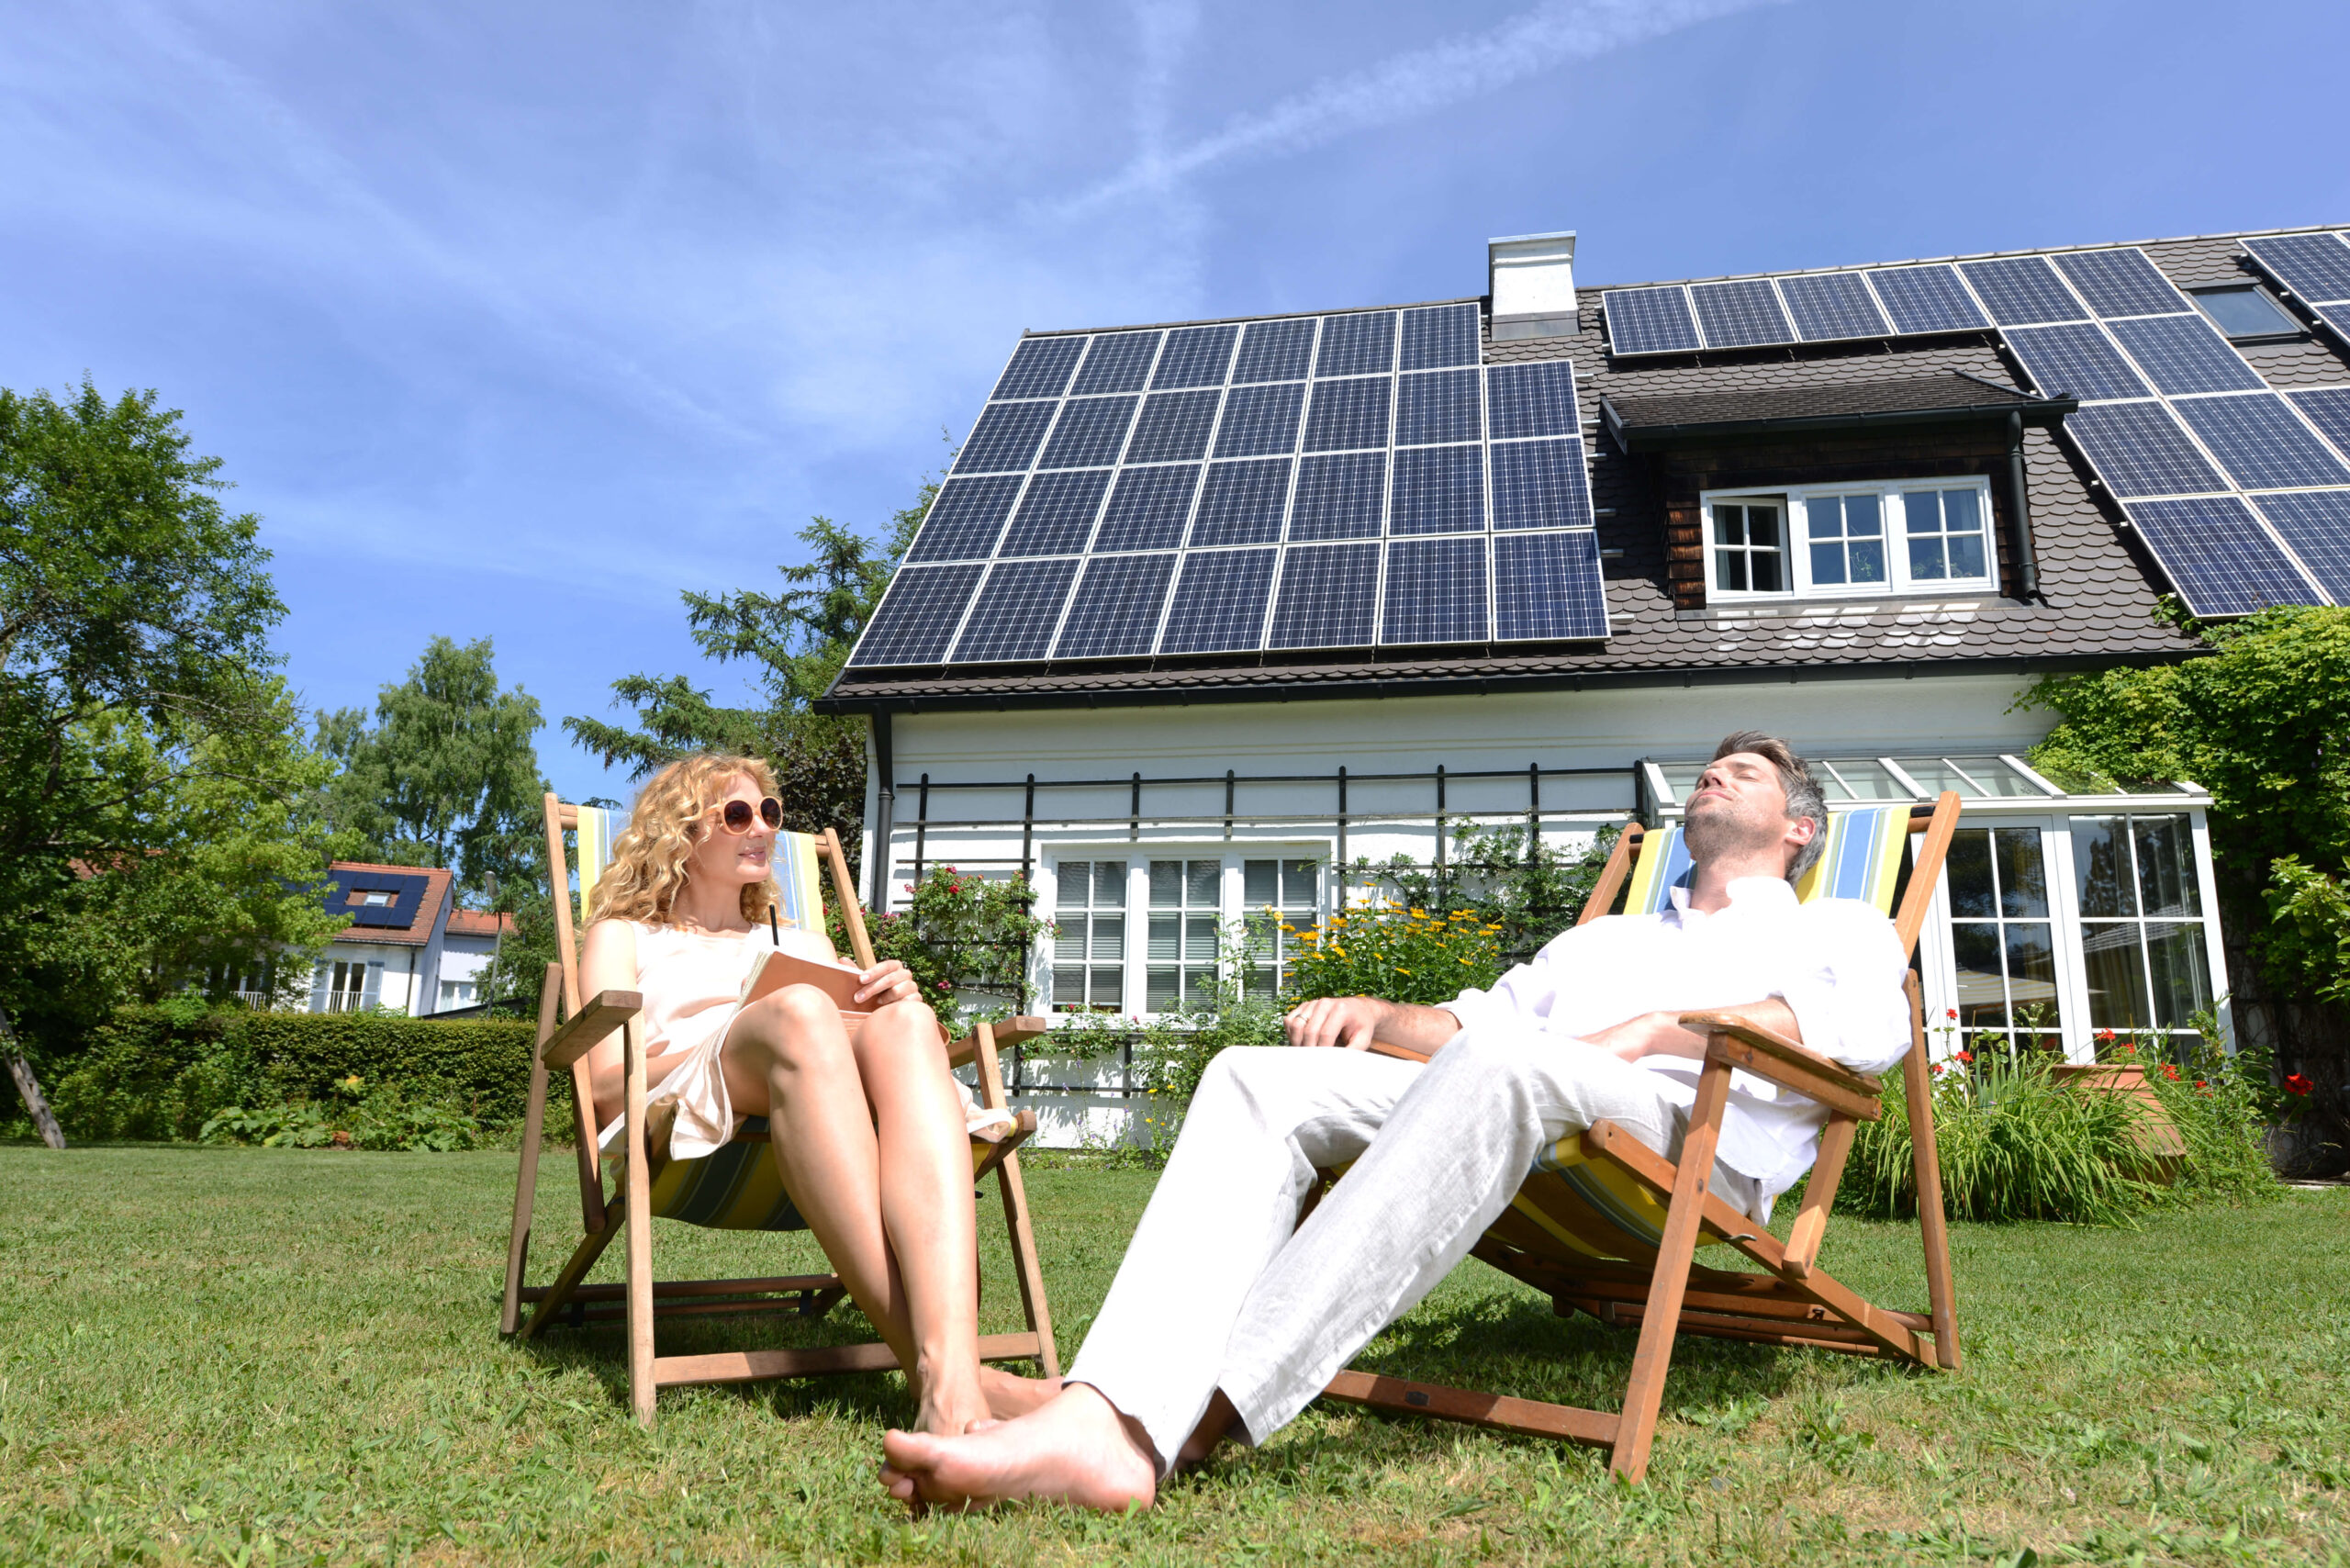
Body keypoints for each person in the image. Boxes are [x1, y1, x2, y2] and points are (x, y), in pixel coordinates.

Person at [878, 732, 1911, 1508]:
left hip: (1687, 1145)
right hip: (1528, 1103)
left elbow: (1863, 1034)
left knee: (1507, 1062)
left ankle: (1166, 1421)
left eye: (1744, 771)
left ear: (1799, 827)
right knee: (1253, 1074)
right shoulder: (1603, 941)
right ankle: (1115, 1406)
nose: (1713, 774)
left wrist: (1655, 1030)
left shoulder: (1836, 926)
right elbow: (1473, 1027)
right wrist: (1378, 1016)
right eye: (1709, 766)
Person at [577, 754, 1050, 1437]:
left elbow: (869, 1048)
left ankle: (950, 1386)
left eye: (769, 814)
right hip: (686, 1102)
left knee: (908, 1021)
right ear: (679, 832)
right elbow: (598, 1083)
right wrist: (729, 1034)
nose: (762, 828)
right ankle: (966, 1381)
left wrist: (892, 1000)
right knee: (799, 1010)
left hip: (819, 1097)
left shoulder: (799, 941)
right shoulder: (625, 936)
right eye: (737, 814)